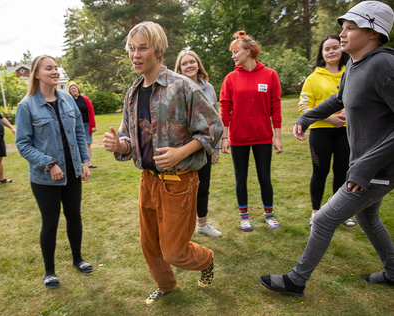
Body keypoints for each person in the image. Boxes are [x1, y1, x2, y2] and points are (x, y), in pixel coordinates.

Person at [260, 1, 394, 297]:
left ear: (373, 33)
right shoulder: (354, 66)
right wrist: (307, 117)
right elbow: (338, 99)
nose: (341, 35)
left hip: (378, 169)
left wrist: (365, 166)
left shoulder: (384, 65)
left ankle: (296, 280)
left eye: (351, 28)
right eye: (342, 27)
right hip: (367, 167)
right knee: (367, 217)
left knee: (323, 219)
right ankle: (393, 271)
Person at [103, 21, 223, 304]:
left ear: (158, 50)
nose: (135, 54)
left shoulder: (182, 86)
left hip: (179, 183)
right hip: (148, 182)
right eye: (131, 49)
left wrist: (181, 153)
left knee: (174, 251)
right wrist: (119, 144)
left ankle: (205, 258)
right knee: (150, 246)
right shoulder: (132, 94)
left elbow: (213, 127)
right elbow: (130, 139)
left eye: (142, 48)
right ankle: (167, 285)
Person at [15, 55, 93, 289]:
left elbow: (80, 133)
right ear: (36, 74)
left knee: (74, 217)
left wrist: (85, 162)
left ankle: (77, 259)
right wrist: (49, 164)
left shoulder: (68, 100)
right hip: (44, 178)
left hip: (72, 172)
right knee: (50, 222)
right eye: (49, 68)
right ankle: (49, 271)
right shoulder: (26, 106)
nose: (55, 71)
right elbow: (23, 144)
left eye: (56, 67)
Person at [219, 30, 283, 232]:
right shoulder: (230, 78)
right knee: (241, 178)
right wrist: (225, 137)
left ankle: (269, 214)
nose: (233, 56)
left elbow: (276, 106)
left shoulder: (270, 75)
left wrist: (278, 136)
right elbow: (225, 109)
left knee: (265, 176)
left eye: (236, 52)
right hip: (238, 137)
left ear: (248, 51)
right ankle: (244, 216)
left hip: (263, 136)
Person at [299, 35, 356, 227]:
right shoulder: (313, 78)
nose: (331, 52)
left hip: (347, 132)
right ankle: (316, 212)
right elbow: (304, 108)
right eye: (327, 49)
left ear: (342, 50)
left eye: (335, 47)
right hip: (321, 131)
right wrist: (329, 117)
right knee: (320, 172)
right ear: (322, 53)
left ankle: (340, 212)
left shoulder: (352, 72)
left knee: (342, 172)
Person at [174, 50, 222, 238]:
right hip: (183, 148)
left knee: (203, 186)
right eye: (184, 63)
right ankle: (180, 228)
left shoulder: (208, 88)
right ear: (179, 68)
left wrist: (215, 148)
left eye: (192, 62)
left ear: (198, 64)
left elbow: (215, 120)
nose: (189, 66)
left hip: (205, 147)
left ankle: (202, 224)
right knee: (182, 188)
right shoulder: (176, 88)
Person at [68, 82, 97, 168]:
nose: (73, 90)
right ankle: (78, 164)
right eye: (71, 89)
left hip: (86, 124)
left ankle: (88, 163)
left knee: (87, 143)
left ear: (78, 89)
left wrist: (93, 125)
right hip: (75, 126)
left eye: (74, 88)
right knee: (76, 144)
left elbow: (91, 112)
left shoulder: (85, 99)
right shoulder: (69, 101)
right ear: (70, 91)